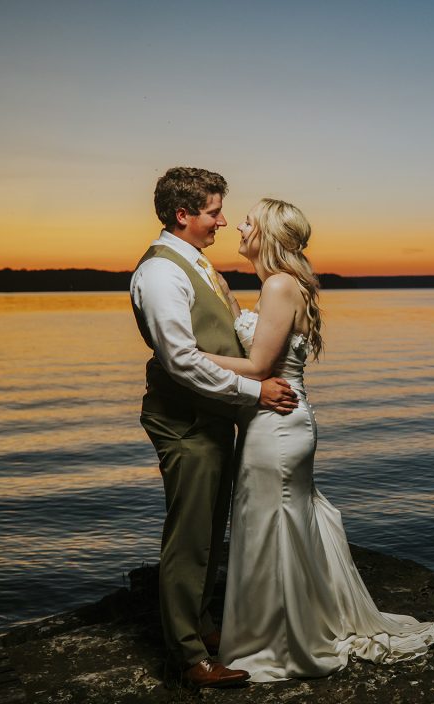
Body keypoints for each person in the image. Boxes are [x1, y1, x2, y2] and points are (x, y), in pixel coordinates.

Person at [203, 197, 434, 682]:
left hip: (275, 424)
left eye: (249, 221)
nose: (240, 226)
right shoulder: (280, 285)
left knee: (270, 523)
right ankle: (285, 623)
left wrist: (184, 356)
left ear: (268, 234)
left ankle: (280, 638)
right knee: (280, 521)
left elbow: (257, 367)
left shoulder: (277, 286)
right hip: (283, 419)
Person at [130, 167, 298, 689]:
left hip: (211, 418)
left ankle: (202, 626)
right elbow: (180, 360)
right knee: (189, 536)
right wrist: (257, 390)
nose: (222, 221)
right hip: (184, 423)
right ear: (182, 215)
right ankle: (187, 658)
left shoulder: (193, 263)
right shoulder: (161, 274)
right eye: (212, 212)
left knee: (209, 528)